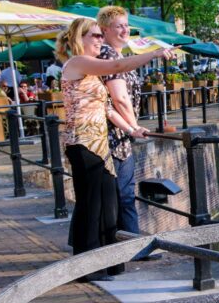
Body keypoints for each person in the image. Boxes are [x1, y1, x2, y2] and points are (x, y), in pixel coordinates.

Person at [55, 17, 173, 281]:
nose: (99, 40)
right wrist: (154, 53)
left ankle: (108, 262)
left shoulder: (91, 71)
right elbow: (118, 65)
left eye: (100, 35)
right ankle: (86, 267)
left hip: (99, 144)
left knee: (109, 204)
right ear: (79, 38)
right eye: (94, 36)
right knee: (91, 203)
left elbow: (107, 109)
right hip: (83, 143)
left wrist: (132, 129)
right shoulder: (77, 63)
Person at [96, 6, 149, 238]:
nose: (125, 30)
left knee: (123, 193)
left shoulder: (117, 56)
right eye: (119, 26)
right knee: (123, 194)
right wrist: (134, 127)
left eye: (126, 25)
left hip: (121, 132)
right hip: (115, 135)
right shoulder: (107, 55)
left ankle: (130, 243)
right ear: (105, 29)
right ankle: (130, 245)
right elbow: (119, 98)